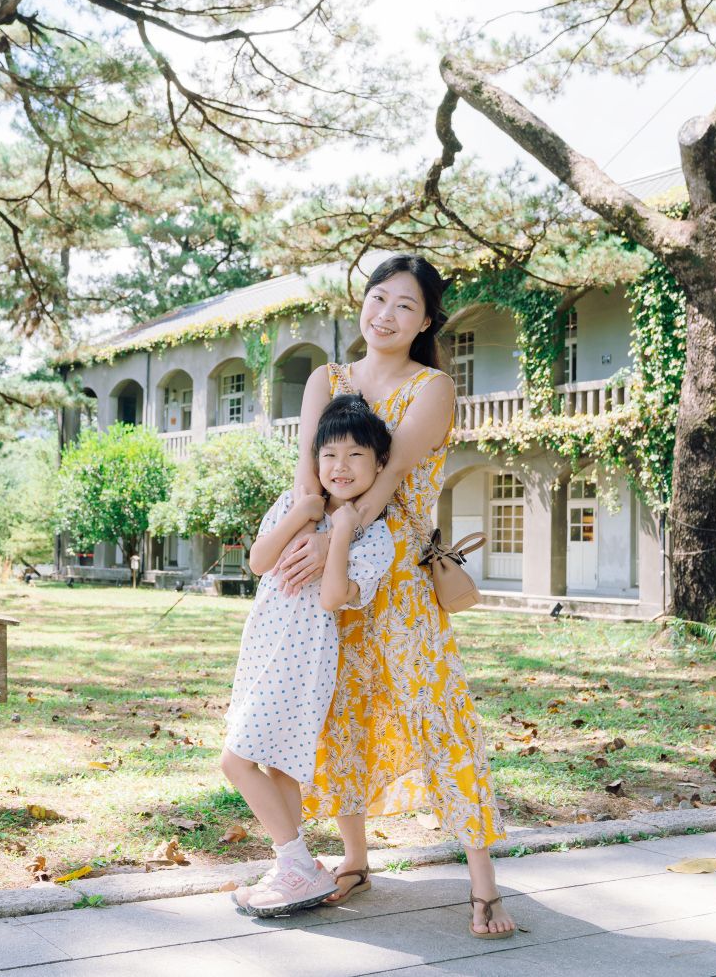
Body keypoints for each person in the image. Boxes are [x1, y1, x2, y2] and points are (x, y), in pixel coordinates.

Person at [273, 253, 516, 939]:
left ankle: (484, 885)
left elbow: (388, 482)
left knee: (438, 710)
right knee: (339, 708)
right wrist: (314, 534)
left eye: (404, 305)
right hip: (329, 569)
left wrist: (338, 534)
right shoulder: (328, 377)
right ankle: (353, 860)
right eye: (378, 298)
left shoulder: (432, 386)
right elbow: (306, 475)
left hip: (401, 570)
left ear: (426, 320)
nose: (385, 314)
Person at [221, 394, 395, 917]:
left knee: (235, 760)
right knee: (276, 768)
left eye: (355, 456)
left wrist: (340, 533)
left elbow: (331, 596)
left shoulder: (374, 536)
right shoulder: (298, 500)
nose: (339, 467)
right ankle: (293, 870)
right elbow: (257, 561)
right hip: (264, 646)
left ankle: (297, 862)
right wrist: (301, 511)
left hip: (305, 659)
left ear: (380, 464)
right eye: (329, 455)